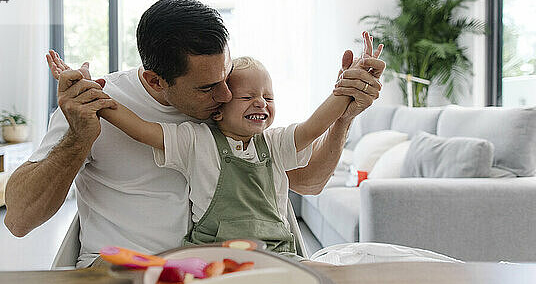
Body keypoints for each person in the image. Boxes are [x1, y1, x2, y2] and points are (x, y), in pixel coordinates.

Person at [4, 0, 385, 268]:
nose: (225, 96)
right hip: (126, 273)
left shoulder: (232, 100)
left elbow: (309, 182)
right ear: (155, 81)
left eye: (225, 77)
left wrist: (344, 114)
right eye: (207, 88)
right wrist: (80, 135)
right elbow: (19, 220)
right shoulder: (97, 105)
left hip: (222, 271)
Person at [87, 55, 363, 255]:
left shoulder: (275, 143)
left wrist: (347, 89)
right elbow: (142, 130)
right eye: (248, 97)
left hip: (277, 255)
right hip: (212, 259)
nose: (261, 103)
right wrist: (97, 98)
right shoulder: (195, 141)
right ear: (218, 107)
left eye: (268, 97)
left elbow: (314, 126)